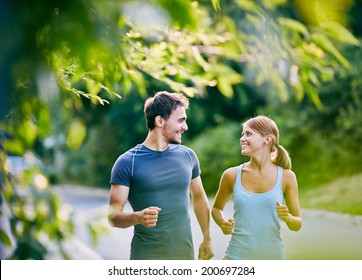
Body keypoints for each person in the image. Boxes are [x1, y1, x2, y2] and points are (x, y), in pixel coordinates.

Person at [108, 91, 214, 260]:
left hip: (184, 256)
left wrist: (207, 238)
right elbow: (113, 216)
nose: (185, 127)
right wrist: (138, 217)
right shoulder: (128, 162)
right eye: (181, 120)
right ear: (159, 121)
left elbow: (199, 196)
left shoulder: (188, 156)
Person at [212, 115, 302, 260]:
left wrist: (287, 217)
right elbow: (216, 209)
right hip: (235, 258)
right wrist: (222, 223)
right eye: (242, 134)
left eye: (248, 134)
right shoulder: (231, 175)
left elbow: (297, 224)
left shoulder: (287, 177)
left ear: (267, 139)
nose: (242, 139)